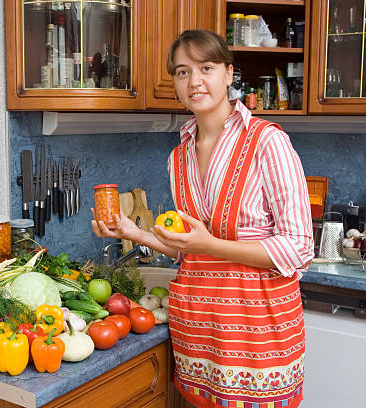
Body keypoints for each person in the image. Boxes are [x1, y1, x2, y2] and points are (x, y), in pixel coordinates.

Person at [92, 29, 313, 408]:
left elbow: (299, 248)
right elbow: (189, 251)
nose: (194, 81)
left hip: (257, 336)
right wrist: (134, 232)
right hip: (198, 332)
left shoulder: (268, 142)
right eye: (182, 72)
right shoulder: (177, 158)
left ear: (229, 74)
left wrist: (208, 243)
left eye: (206, 68)